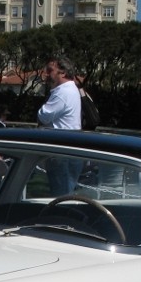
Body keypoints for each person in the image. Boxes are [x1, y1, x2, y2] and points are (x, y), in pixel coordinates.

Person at [37, 54, 83, 195]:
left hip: (61, 152)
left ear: (62, 72)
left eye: (50, 70)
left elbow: (43, 115)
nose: (47, 74)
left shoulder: (62, 92)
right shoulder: (71, 89)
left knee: (60, 195)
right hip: (70, 148)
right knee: (66, 192)